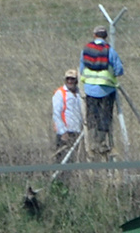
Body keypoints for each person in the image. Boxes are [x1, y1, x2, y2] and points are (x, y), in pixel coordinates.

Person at [79, 25, 123, 161]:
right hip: (106, 89)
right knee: (105, 116)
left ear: (94, 35)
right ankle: (101, 142)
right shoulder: (109, 51)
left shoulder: (86, 50)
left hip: (90, 89)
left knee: (92, 115)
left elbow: (81, 68)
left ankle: (92, 143)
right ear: (106, 36)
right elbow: (119, 70)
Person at [51, 69, 84, 163]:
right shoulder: (60, 93)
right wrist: (62, 132)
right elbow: (56, 113)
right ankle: (60, 177)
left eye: (72, 79)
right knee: (63, 160)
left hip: (78, 132)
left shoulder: (80, 93)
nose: (70, 81)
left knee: (75, 160)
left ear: (76, 80)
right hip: (65, 133)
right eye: (68, 79)